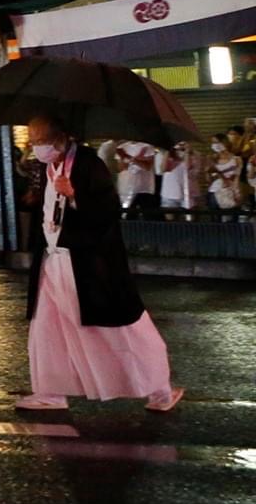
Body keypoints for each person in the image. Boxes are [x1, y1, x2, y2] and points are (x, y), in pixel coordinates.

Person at [16, 114, 182, 413]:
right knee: (47, 326)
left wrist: (75, 196)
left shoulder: (89, 164)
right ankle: (50, 391)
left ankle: (160, 388)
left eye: (40, 140)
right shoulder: (46, 166)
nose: (35, 146)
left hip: (87, 264)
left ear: (59, 138)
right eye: (32, 140)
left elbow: (107, 211)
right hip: (53, 259)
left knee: (115, 329)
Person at [207, 135, 247, 213]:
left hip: (231, 192)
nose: (214, 145)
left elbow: (237, 177)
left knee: (233, 219)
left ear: (224, 143)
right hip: (215, 191)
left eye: (217, 142)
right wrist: (208, 171)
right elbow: (209, 180)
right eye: (213, 143)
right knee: (216, 220)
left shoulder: (236, 159)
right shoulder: (212, 159)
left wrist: (236, 191)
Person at [158, 142, 197, 217]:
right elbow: (163, 169)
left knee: (189, 220)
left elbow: (187, 167)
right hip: (169, 194)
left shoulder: (192, 154)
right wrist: (168, 151)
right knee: (171, 222)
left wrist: (187, 152)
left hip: (186, 194)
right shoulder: (167, 154)